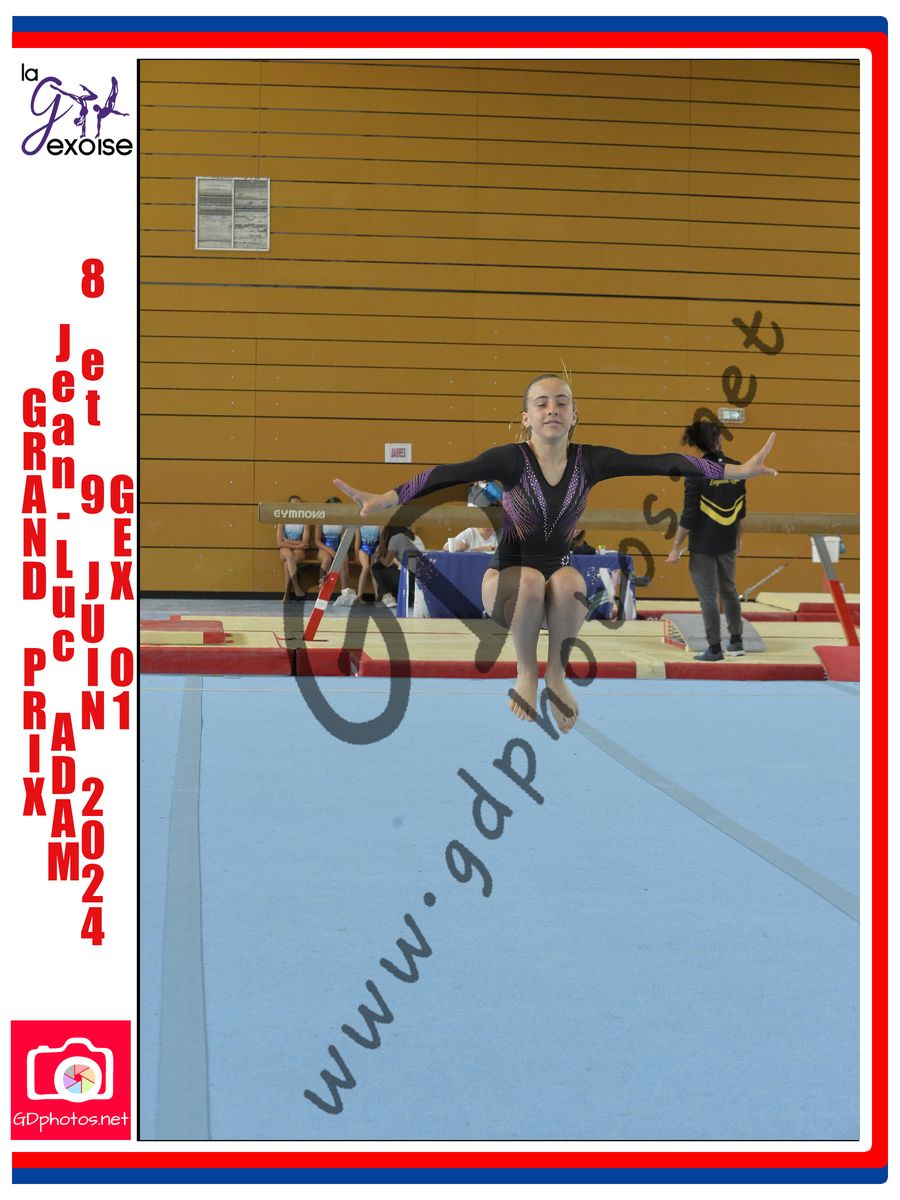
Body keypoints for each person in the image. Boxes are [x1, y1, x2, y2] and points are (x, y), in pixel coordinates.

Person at [335, 374, 776, 732]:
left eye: (562, 403)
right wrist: (386, 497)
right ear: (526, 417)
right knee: (530, 579)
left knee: (569, 580)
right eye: (542, 403)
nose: (552, 409)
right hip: (505, 585)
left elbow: (664, 462)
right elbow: (446, 473)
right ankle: (526, 672)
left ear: (574, 415)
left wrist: (736, 471)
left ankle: (556, 676)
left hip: (558, 593)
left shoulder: (591, 461)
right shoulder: (510, 459)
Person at [666, 420, 748, 661]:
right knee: (729, 590)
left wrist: (675, 546)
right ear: (718, 439)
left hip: (703, 543)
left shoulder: (696, 471)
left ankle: (714, 648)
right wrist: (739, 538)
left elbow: (689, 514)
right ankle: (736, 641)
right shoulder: (736, 467)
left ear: (697, 444)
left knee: (709, 597)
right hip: (727, 539)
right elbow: (741, 508)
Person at [315, 497, 353, 606]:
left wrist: (339, 552)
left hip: (338, 546)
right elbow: (317, 541)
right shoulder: (321, 519)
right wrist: (330, 551)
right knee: (326, 559)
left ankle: (344, 594)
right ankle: (321, 593)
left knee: (343, 559)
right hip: (324, 547)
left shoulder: (343, 520)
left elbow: (343, 540)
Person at [275, 495, 308, 602]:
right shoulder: (282, 520)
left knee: (288, 563)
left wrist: (287, 541)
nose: (296, 507)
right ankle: (296, 587)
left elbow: (305, 543)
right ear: (288, 506)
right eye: (293, 505)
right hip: (286, 548)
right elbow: (279, 543)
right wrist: (297, 545)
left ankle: (287, 593)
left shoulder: (305, 521)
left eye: (298, 505)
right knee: (289, 556)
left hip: (298, 550)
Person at [354, 523, 382, 603]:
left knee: (373, 569)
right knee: (365, 567)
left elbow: (381, 539)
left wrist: (379, 550)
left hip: (375, 548)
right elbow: (357, 540)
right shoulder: (359, 523)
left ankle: (377, 596)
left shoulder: (380, 523)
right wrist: (356, 556)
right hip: (363, 548)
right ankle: (359, 596)